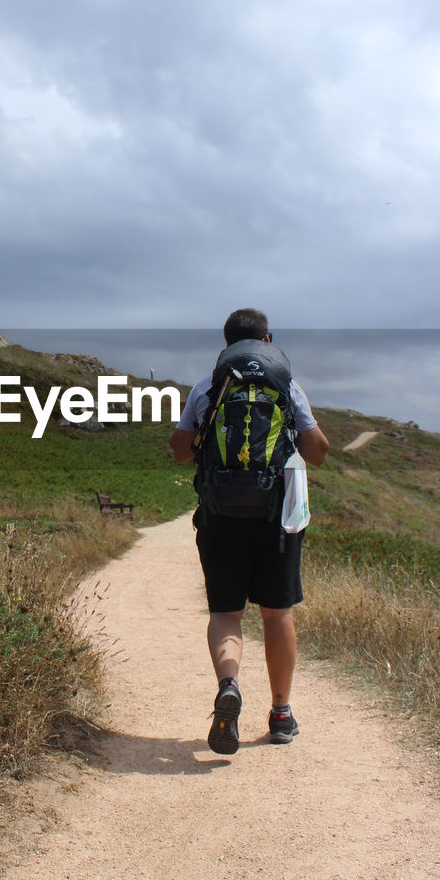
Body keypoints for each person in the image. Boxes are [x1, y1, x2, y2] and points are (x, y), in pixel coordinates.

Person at [169, 308, 328, 754]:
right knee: (277, 615)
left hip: (220, 516)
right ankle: (281, 715)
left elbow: (180, 450)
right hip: (276, 520)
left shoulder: (208, 386)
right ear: (267, 339)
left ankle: (229, 684)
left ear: (227, 345)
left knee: (225, 615)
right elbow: (318, 452)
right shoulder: (287, 385)